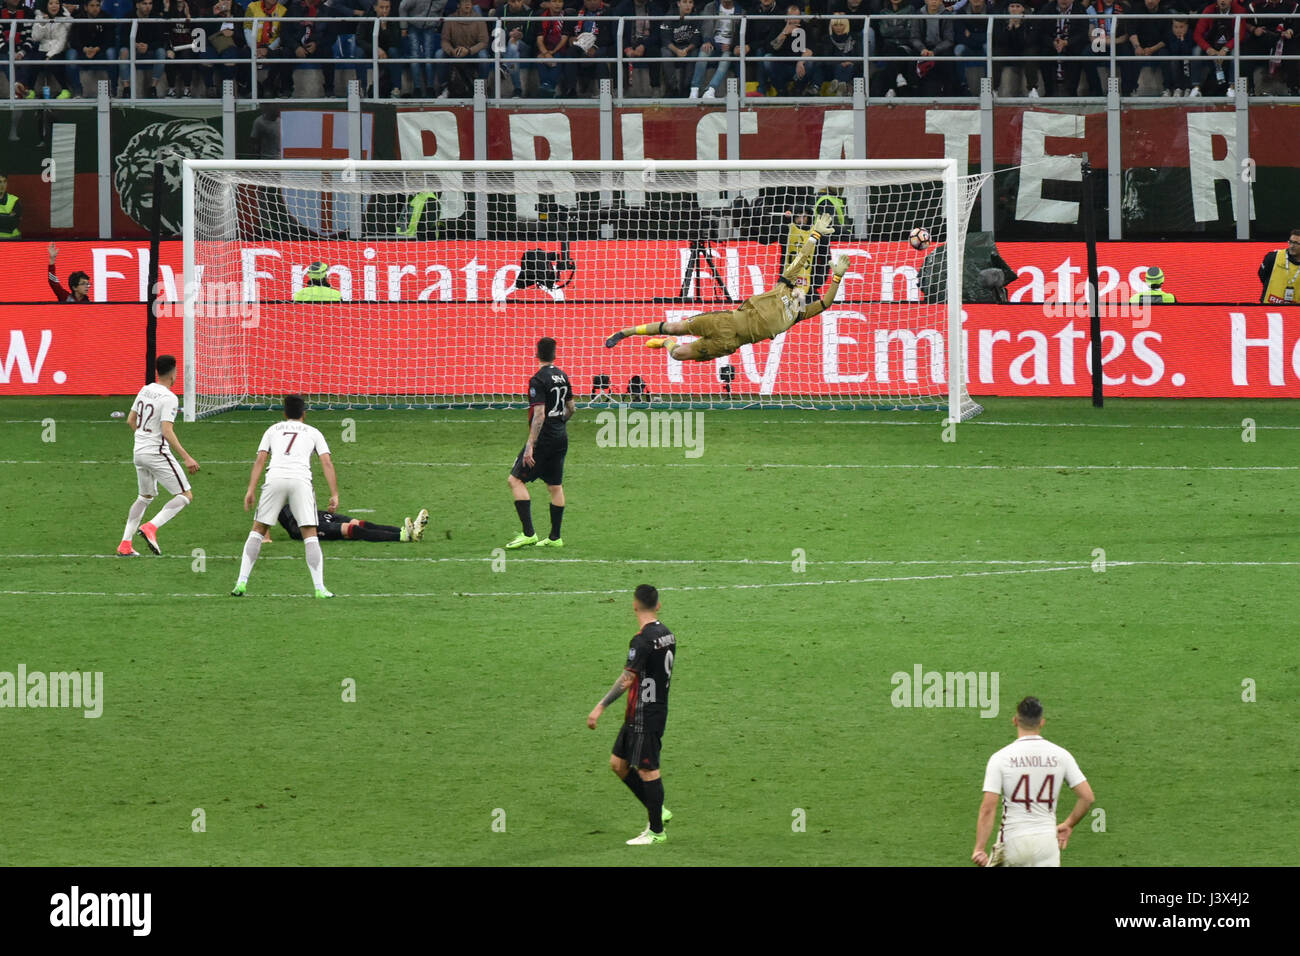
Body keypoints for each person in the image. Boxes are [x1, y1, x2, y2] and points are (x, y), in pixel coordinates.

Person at [605, 211, 849, 362]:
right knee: (674, 326)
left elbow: (826, 303)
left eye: (806, 291)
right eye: (801, 287)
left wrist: (837, 278)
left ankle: (664, 343)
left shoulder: (799, 314)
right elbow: (801, 259)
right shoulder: (783, 287)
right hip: (725, 321)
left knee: (678, 354)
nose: (802, 290)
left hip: (730, 342)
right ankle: (625, 332)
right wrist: (815, 235)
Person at [586, 583, 676, 846]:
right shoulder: (668, 634)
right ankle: (657, 809)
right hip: (645, 711)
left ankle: (657, 831)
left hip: (645, 714)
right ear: (657, 605)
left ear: (634, 605)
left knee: (648, 769)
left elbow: (627, 679)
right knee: (619, 764)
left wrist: (600, 706)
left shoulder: (642, 640)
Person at [232, 393, 339, 598]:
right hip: (301, 481)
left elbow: (260, 460)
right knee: (310, 533)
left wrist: (250, 490)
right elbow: (326, 462)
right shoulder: (313, 432)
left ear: (284, 413)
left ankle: (241, 583)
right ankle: (319, 588)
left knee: (258, 530)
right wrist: (334, 493)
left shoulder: (273, 430)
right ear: (304, 414)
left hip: (275, 479)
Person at [972, 696, 1095, 867]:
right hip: (1047, 842)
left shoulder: (1000, 758)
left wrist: (979, 848)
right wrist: (1068, 824)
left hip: (1013, 841)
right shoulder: (1061, 755)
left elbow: (988, 808)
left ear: (1015, 721)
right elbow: (1087, 798)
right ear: (1042, 722)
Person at [120, 354, 201, 557]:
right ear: (173, 373)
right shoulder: (169, 398)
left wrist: (144, 439)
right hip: (156, 452)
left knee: (145, 496)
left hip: (138, 451)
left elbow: (131, 420)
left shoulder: (145, 389)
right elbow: (167, 430)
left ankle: (125, 544)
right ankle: (151, 528)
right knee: (185, 495)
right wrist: (187, 457)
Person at [506, 336, 574, 549]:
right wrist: (559, 423)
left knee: (515, 480)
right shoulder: (562, 376)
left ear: (537, 354)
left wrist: (530, 445)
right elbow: (571, 408)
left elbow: (539, 414)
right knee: (555, 486)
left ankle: (529, 534)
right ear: (555, 354)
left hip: (543, 439)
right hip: (561, 436)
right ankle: (555, 538)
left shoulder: (538, 379)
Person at [268, 504, 429, 542]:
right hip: (303, 525)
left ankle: (408, 530)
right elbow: (263, 511)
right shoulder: (273, 489)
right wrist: (265, 536)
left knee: (359, 523)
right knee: (352, 529)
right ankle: (403, 537)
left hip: (314, 514)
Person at [436, 0, 489, 97]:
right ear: (458, 5)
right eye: (464, 2)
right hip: (455, 52)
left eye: (469, 2)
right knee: (439, 54)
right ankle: (444, 88)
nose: (468, 4)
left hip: (473, 52)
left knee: (484, 56)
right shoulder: (450, 19)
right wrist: (452, 51)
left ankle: (482, 89)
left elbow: (484, 41)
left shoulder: (479, 19)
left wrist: (469, 51)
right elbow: (445, 40)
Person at [690, 0, 740, 98]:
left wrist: (732, 45)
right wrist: (707, 40)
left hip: (728, 48)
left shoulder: (741, 11)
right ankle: (694, 90)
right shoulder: (711, 7)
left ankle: (710, 90)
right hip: (713, 44)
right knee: (704, 51)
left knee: (726, 59)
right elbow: (707, 26)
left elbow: (739, 34)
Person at [1039, 0, 1090, 95]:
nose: (1064, 0)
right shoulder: (1047, 8)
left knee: (1077, 53)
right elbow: (1041, 31)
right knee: (1044, 54)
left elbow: (1082, 32)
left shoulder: (1080, 9)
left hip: (1071, 43)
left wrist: (1067, 42)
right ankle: (1049, 92)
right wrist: (1052, 42)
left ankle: (1072, 92)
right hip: (1052, 43)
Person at [1193, 0, 1246, 92]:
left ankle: (1232, 88)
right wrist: (1208, 48)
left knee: (1236, 53)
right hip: (1211, 45)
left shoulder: (1239, 10)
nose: (1222, 1)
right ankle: (1196, 88)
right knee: (1196, 51)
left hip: (1230, 45)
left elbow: (1240, 35)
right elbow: (1197, 34)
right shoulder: (1208, 10)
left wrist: (1226, 48)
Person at [992, 0, 1042, 96]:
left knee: (1031, 53)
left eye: (1018, 6)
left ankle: (1032, 89)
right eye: (1012, 6)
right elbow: (999, 41)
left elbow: (1029, 41)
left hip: (1023, 50)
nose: (1014, 9)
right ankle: (994, 89)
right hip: (1008, 49)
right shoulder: (1001, 19)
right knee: (996, 53)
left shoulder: (1030, 20)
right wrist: (1009, 27)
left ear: (1023, 9)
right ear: (1008, 8)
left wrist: (1019, 27)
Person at [911, 0, 955, 95]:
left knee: (948, 56)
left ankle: (948, 92)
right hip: (923, 47)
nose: (934, 2)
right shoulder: (918, 14)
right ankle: (915, 91)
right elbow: (914, 37)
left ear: (940, 1)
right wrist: (922, 49)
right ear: (926, 1)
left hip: (940, 48)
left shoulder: (946, 15)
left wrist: (934, 52)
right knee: (914, 56)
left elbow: (949, 39)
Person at [659, 0, 701, 96]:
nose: (687, 5)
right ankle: (673, 88)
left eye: (690, 2)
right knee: (665, 53)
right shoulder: (670, 16)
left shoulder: (696, 17)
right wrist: (677, 51)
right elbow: (665, 39)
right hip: (673, 47)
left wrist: (686, 50)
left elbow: (696, 39)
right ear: (678, 3)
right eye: (684, 2)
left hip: (688, 48)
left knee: (695, 53)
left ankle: (686, 88)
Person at [1258, 227, 1300, 303]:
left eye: (1296, 243)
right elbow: (1262, 275)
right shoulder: (1273, 257)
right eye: (1290, 242)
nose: (1292, 246)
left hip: (1295, 311)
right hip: (1269, 306)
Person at [0, 172, 21, 240]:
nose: (2, 185)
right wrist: (7, 216)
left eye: (4, 182)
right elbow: (8, 220)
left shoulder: (14, 200)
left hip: (12, 238)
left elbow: (12, 222)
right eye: (0, 182)